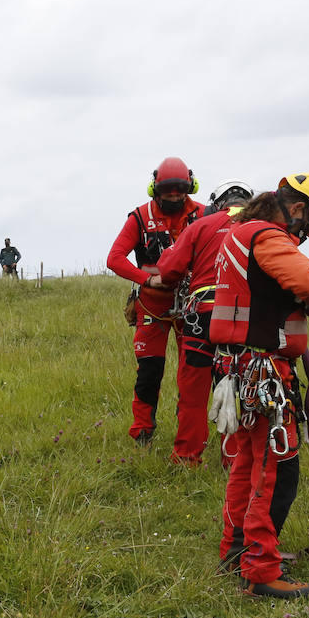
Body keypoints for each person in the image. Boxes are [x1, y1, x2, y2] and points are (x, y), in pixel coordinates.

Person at [210, 173, 309, 599]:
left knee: (246, 466)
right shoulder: (267, 237)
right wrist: (308, 298)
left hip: (239, 369)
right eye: (304, 230)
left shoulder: (238, 233)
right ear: (298, 209)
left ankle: (235, 552)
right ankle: (261, 570)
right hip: (264, 374)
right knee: (273, 469)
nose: (300, 239)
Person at [152, 180, 254, 465]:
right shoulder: (262, 227)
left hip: (201, 318)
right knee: (237, 387)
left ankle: (187, 457)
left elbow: (169, 269)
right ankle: (234, 459)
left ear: (216, 203)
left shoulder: (200, 226)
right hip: (242, 320)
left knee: (193, 390)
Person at [106, 157, 205, 447]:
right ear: (155, 188)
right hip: (152, 306)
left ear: (190, 186)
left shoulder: (203, 215)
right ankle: (142, 432)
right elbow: (114, 258)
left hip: (191, 307)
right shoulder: (138, 218)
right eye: (168, 190)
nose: (174, 195)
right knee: (149, 371)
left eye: (180, 189)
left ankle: (188, 435)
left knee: (193, 373)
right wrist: (147, 280)